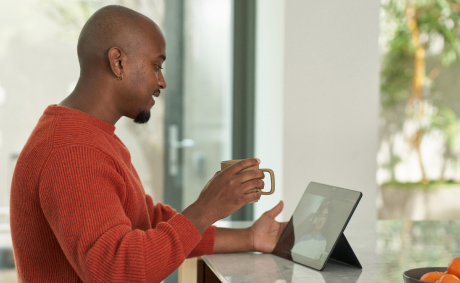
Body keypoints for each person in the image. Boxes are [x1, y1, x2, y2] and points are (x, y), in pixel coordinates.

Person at [9, 5, 287, 283]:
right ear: (118, 62)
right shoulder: (73, 151)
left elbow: (149, 222)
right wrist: (207, 208)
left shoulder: (93, 137)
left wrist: (251, 236)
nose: (162, 81)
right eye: (156, 65)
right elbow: (116, 271)